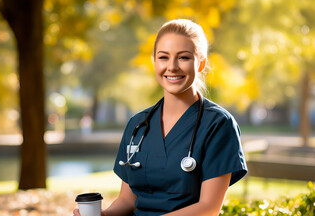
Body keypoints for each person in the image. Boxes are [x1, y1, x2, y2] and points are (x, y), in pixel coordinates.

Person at [73, 19, 247, 216]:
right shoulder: (137, 125)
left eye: (183, 58)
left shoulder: (218, 125)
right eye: (163, 57)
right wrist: (103, 215)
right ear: (154, 61)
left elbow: (208, 209)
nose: (172, 67)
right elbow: (127, 200)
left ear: (201, 64)